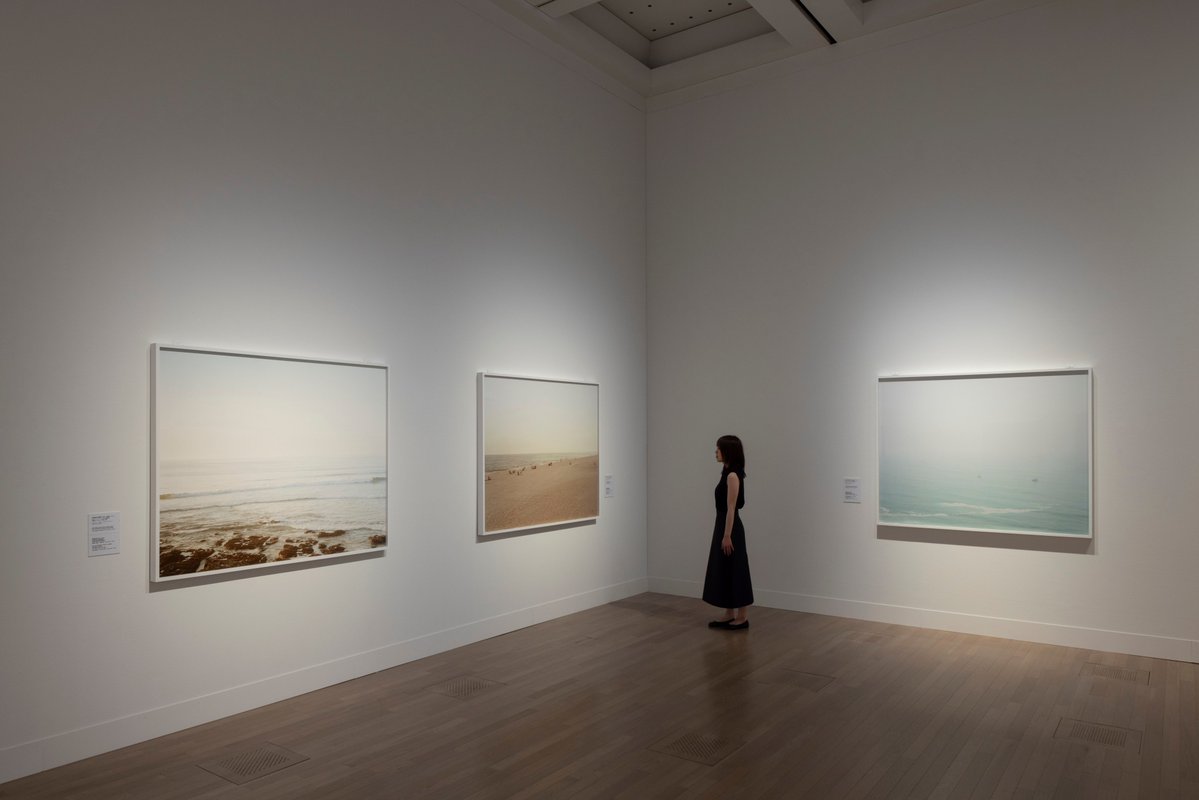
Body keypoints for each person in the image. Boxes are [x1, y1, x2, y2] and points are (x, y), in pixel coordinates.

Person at [702, 434, 753, 630]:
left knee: (736, 570)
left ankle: (742, 617)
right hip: (723, 525)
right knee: (725, 568)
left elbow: (732, 508)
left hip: (730, 529)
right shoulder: (727, 473)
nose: (716, 452)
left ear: (728, 451)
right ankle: (729, 613)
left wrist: (727, 535)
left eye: (719, 448)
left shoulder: (732, 476)